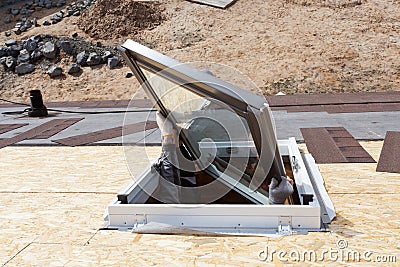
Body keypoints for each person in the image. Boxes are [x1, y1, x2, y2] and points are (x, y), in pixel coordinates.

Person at [154, 112, 293, 204]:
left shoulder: (249, 181)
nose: (254, 152)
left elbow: (170, 201)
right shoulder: (223, 169)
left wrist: (168, 140)